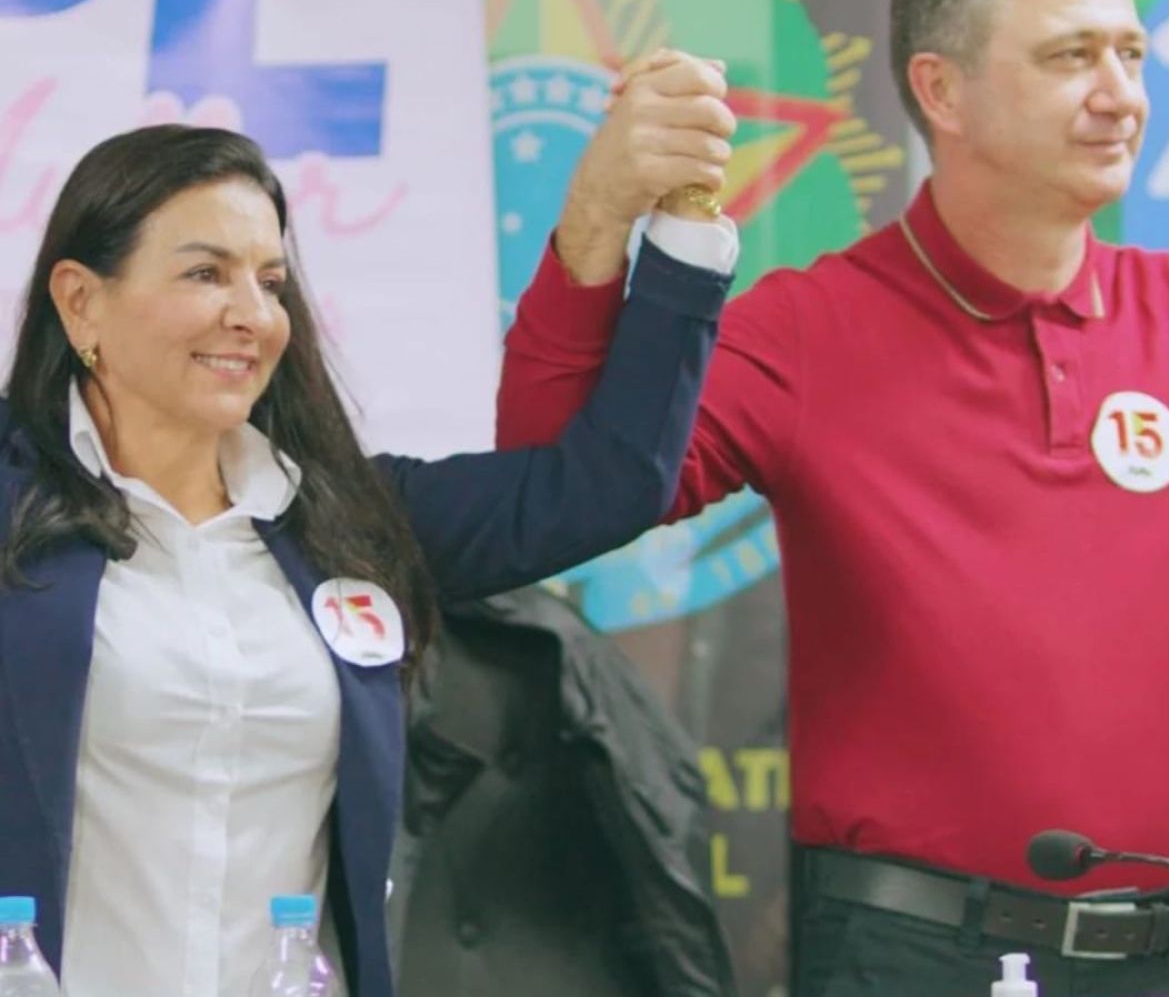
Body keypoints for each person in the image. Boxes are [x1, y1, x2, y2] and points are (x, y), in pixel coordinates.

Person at [494, 0, 1169, 997]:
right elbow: (550, 490)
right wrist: (596, 216)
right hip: (915, 956)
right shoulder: (809, 330)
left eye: (1130, 53)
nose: (1121, 95)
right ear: (940, 91)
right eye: (1071, 57)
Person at [0, 79, 735, 997]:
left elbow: (606, 486)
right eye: (205, 273)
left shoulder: (351, 519)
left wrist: (673, 225)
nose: (252, 314)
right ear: (81, 302)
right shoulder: (15, 506)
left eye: (270, 282)